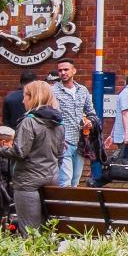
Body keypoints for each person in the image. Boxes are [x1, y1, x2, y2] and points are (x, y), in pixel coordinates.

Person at [3, 80, 65, 230]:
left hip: (27, 181)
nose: (23, 100)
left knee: (30, 230)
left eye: (25, 96)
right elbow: (60, 155)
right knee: (47, 228)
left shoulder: (28, 122)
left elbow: (20, 152)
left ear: (33, 98)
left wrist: (3, 150)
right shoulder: (58, 123)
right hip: (51, 178)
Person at [48, 60, 96, 188]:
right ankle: (63, 207)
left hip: (80, 141)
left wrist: (89, 122)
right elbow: (48, 116)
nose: (63, 73)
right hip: (63, 141)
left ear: (74, 71)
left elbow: (91, 112)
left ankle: (70, 207)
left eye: (66, 69)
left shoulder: (82, 90)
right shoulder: (52, 91)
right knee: (65, 180)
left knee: (75, 180)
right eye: (60, 70)